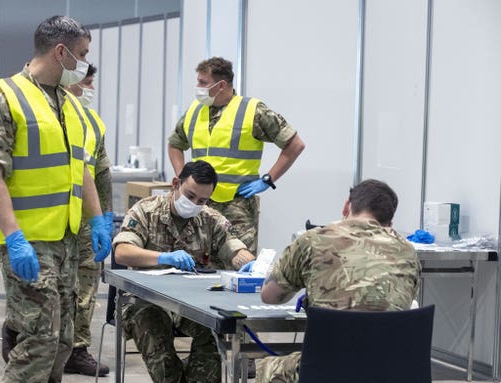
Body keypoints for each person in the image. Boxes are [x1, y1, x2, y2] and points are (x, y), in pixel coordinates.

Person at [0, 15, 112, 383]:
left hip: (64, 238)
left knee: (63, 340)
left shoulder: (68, 102)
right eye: (81, 55)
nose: (83, 64)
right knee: (39, 339)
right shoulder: (4, 98)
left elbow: (80, 166)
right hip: (26, 238)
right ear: (61, 51)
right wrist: (14, 239)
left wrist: (97, 219)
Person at [253, 179, 421, 383]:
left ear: (346, 206)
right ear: (389, 224)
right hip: (390, 370)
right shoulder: (408, 252)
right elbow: (402, 305)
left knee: (267, 367)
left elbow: (269, 296)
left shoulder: (312, 240)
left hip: (327, 369)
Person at [113, 160, 256, 383]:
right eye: (190, 196)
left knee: (214, 335)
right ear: (175, 184)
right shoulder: (145, 210)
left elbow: (233, 247)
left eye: (202, 200)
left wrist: (249, 263)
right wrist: (162, 258)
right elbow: (122, 251)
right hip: (146, 301)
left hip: (191, 303)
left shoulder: (210, 218)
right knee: (162, 356)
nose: (195, 204)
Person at [168, 57, 305, 256]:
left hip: (237, 205)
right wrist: (183, 178)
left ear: (221, 85)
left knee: (237, 263)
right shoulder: (194, 111)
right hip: (200, 204)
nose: (198, 87)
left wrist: (268, 179)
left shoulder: (252, 110)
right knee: (195, 261)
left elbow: (295, 144)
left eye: (203, 82)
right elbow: (175, 144)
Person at [63, 64, 113, 376]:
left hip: (87, 218)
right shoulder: (53, 113)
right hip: (56, 214)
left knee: (86, 283)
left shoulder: (93, 121)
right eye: (88, 80)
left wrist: (105, 216)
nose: (91, 87)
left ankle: (77, 349)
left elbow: (102, 171)